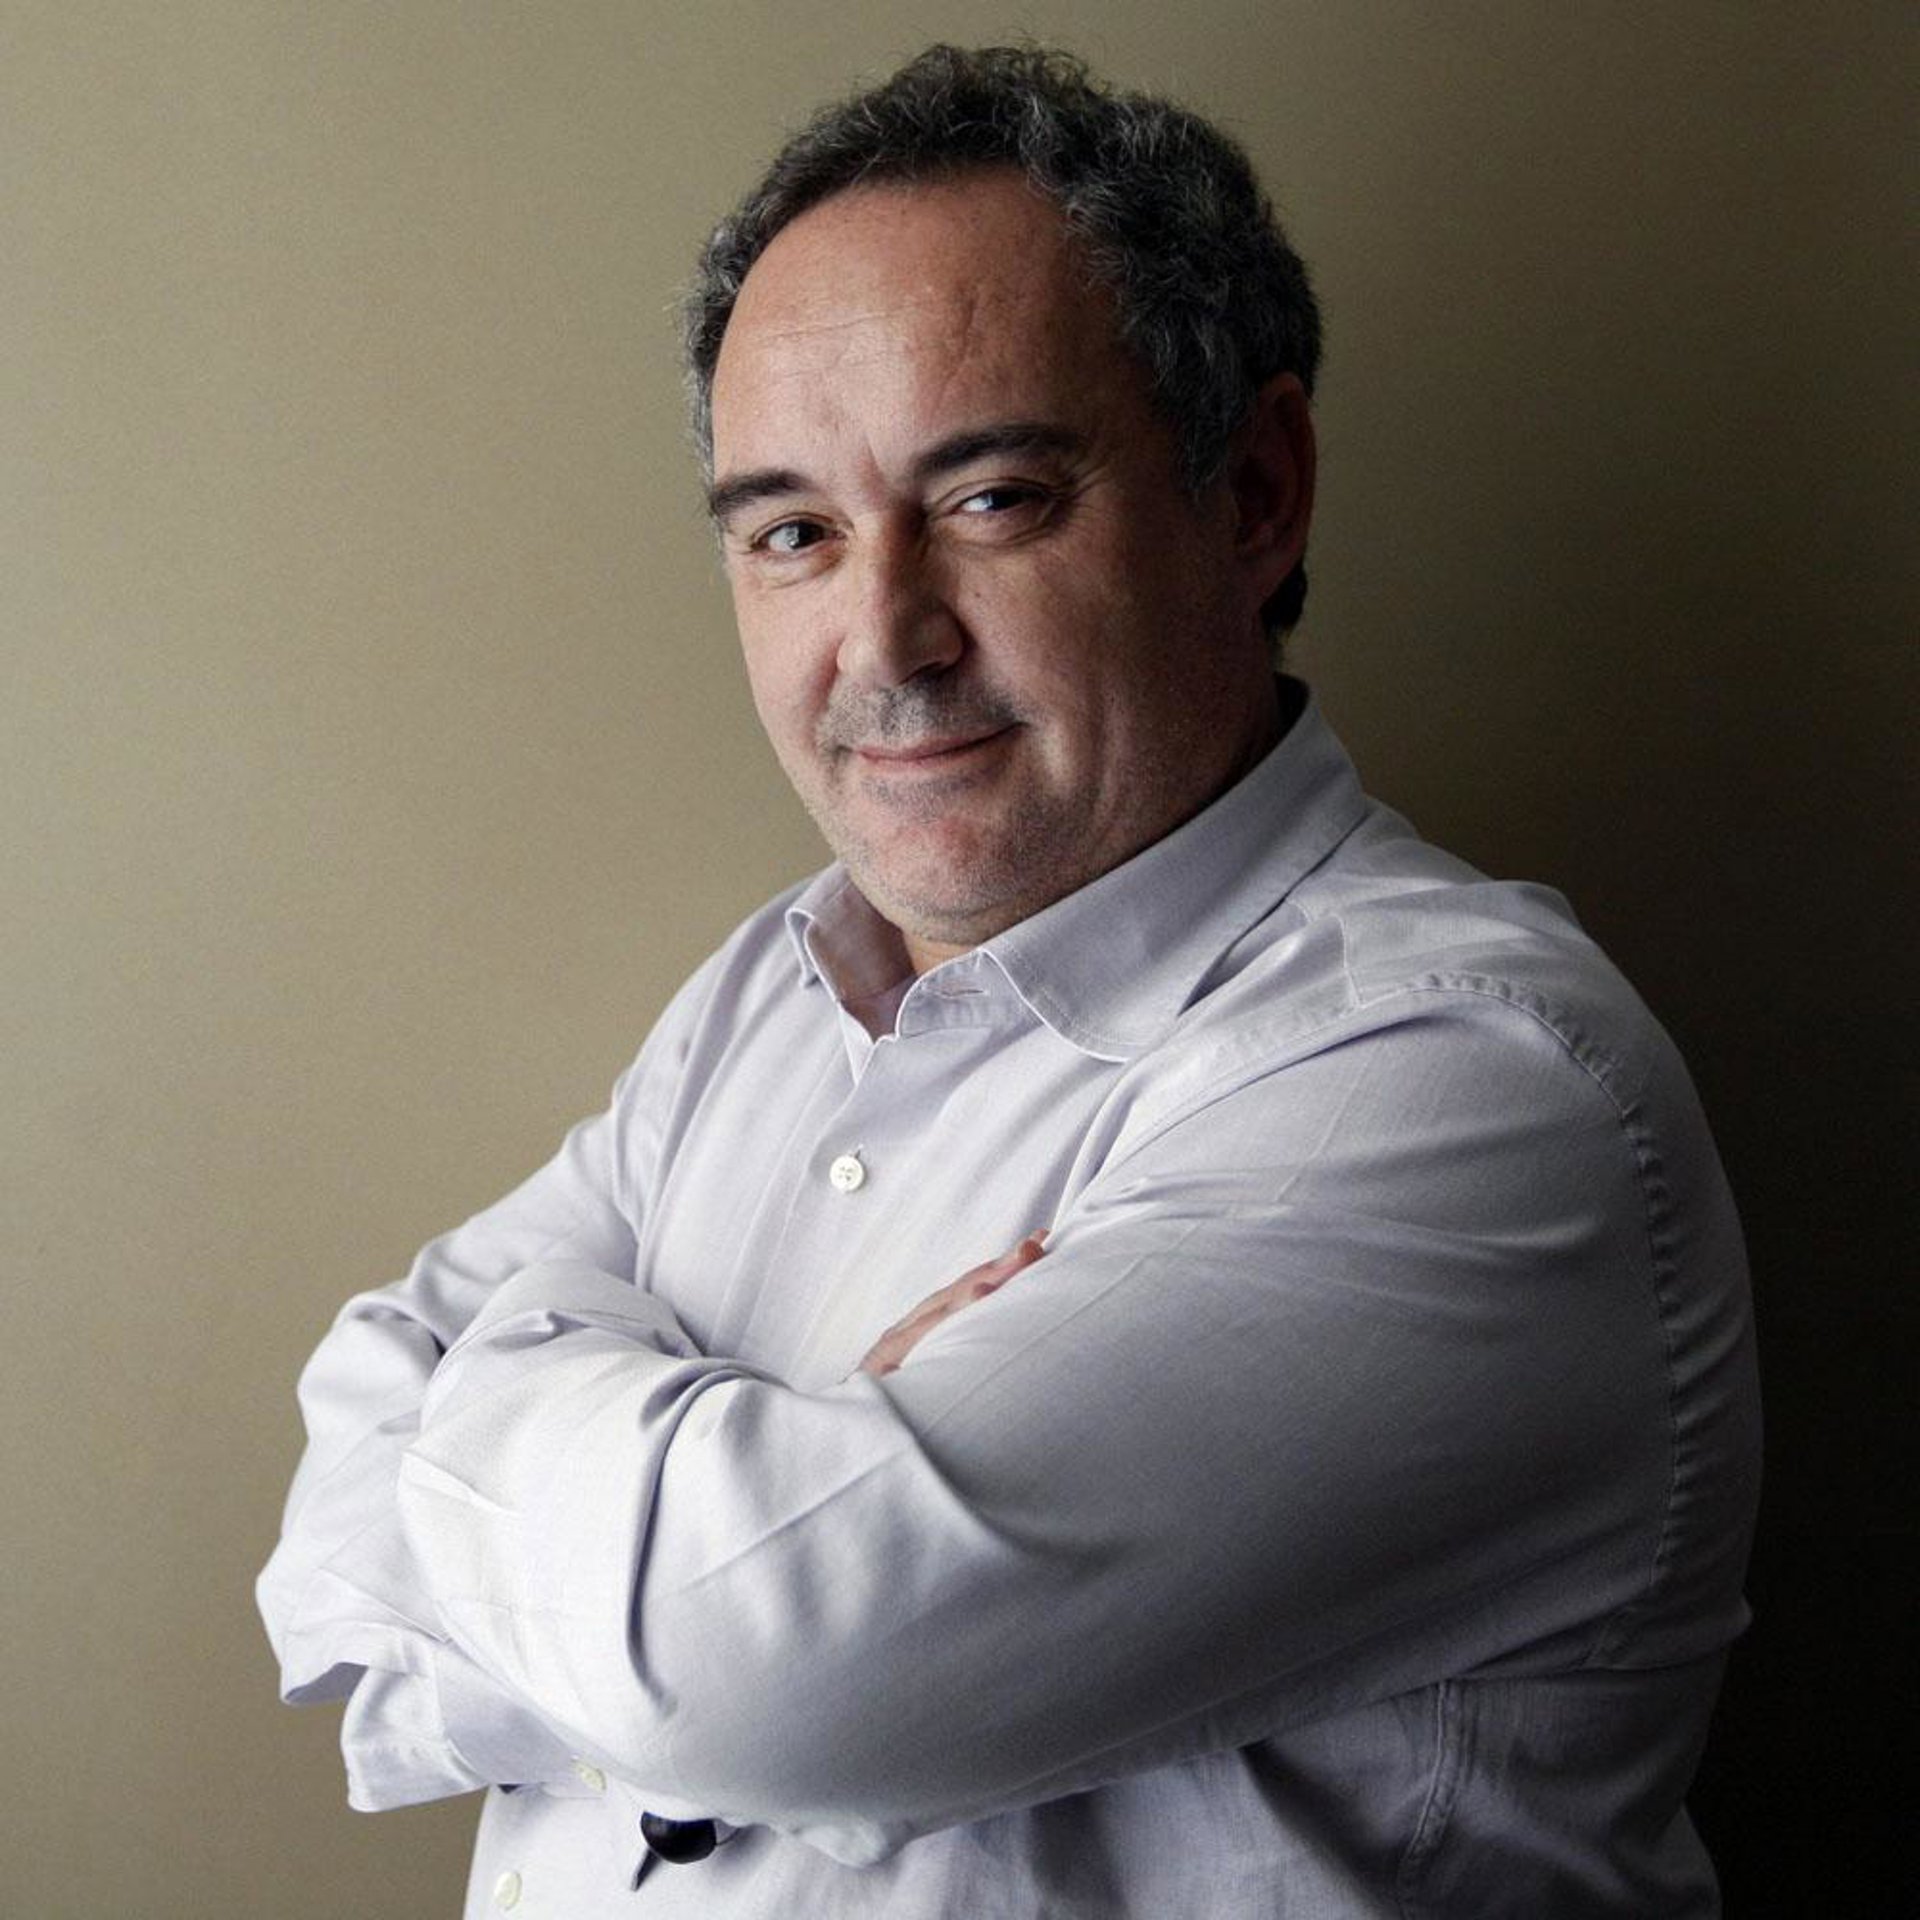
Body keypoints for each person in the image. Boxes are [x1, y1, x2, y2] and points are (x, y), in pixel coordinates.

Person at [258, 44, 1761, 1918]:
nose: (883, 638)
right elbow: (342, 1479)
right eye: (793, 533)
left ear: (1257, 490)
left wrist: (542, 1414)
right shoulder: (764, 998)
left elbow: (749, 1670)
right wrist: (680, 1554)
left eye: (991, 499)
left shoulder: (1466, 1085)